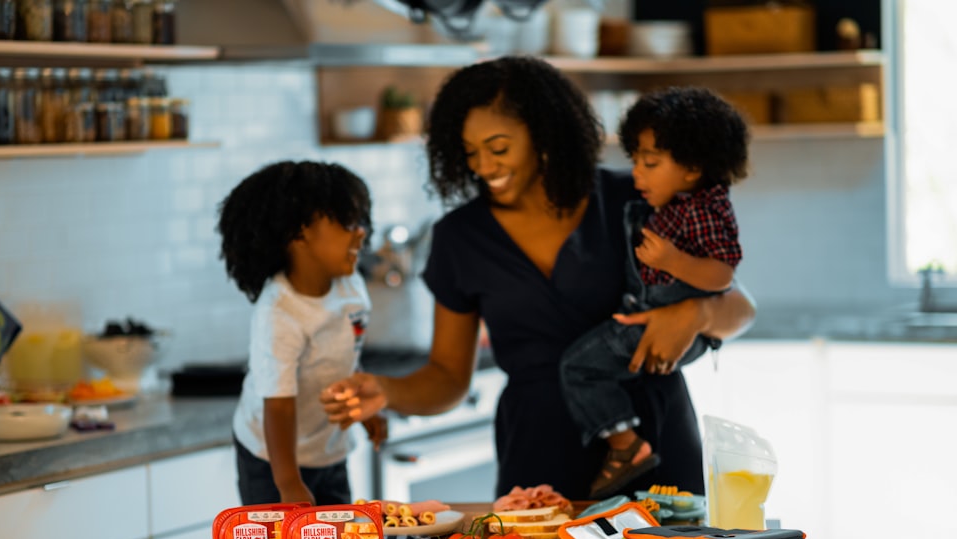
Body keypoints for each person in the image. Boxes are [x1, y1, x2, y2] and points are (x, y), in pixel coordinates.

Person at [320, 56, 755, 502]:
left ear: (544, 135)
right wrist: (387, 389)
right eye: (471, 152)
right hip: (539, 450)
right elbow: (448, 376)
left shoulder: (633, 198)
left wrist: (696, 313)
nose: (484, 166)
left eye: (499, 147)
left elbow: (740, 308)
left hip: (656, 442)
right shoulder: (459, 237)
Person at [559, 86, 749, 499]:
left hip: (658, 358)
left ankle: (626, 447)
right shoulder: (667, 200)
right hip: (552, 445)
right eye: (635, 161)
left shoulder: (699, 208)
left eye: (649, 162)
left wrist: (687, 298)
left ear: (693, 166)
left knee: (578, 367)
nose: (638, 174)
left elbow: (731, 285)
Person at [217, 160, 387, 507]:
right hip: (271, 460)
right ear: (301, 231)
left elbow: (342, 356)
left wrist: (362, 408)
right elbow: (277, 408)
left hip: (328, 450)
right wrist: (288, 481)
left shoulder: (350, 286)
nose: (362, 232)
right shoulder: (280, 312)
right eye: (348, 222)